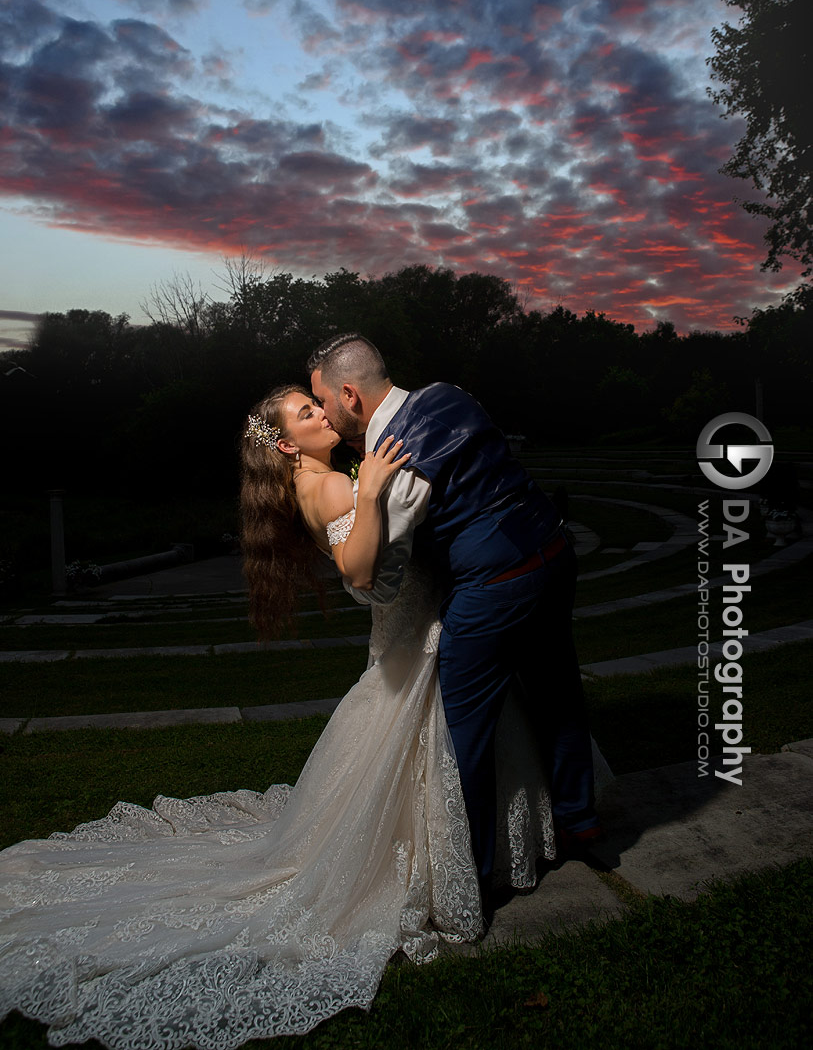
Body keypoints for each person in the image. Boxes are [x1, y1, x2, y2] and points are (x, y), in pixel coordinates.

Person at [0, 384, 555, 1048]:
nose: (324, 414)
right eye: (307, 411)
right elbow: (360, 574)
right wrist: (376, 489)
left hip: (418, 632)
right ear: (288, 444)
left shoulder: (323, 475)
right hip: (414, 640)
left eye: (315, 403)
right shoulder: (324, 488)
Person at [308, 334, 600, 906]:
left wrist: (369, 506)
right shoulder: (450, 394)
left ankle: (471, 879)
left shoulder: (392, 459)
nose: (326, 415)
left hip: (494, 587)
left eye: (324, 401)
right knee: (558, 692)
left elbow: (380, 579)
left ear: (350, 394)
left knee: (461, 733)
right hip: (553, 551)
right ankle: (580, 822)